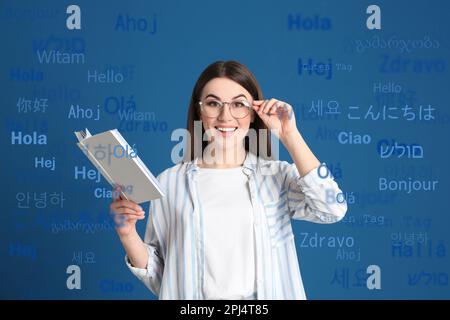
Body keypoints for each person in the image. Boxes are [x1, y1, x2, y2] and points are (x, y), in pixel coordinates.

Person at [109, 60, 347, 300]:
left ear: (254, 112)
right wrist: (128, 234)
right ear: (200, 111)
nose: (226, 116)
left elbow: (332, 208)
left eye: (238, 104)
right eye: (213, 103)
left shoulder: (276, 177)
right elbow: (163, 278)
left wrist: (289, 134)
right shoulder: (170, 182)